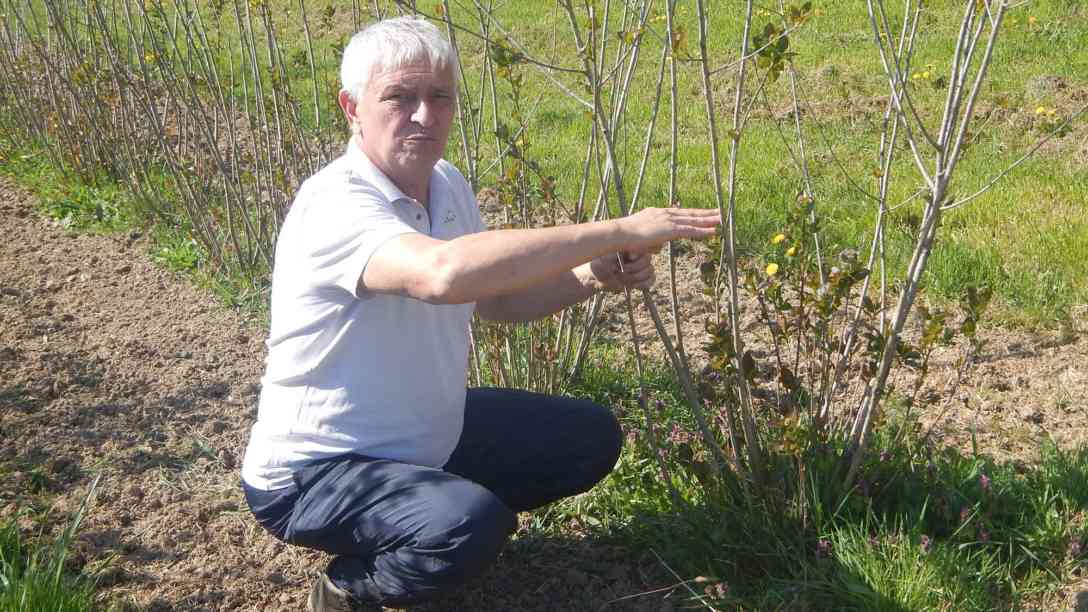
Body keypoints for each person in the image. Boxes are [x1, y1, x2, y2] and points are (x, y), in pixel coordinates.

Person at [240, 16, 720, 612]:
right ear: (352, 108)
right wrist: (619, 230)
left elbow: (495, 299)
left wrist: (594, 275)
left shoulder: (445, 184)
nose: (424, 115)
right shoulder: (335, 204)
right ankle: (351, 586)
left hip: (425, 435)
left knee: (588, 437)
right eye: (399, 97)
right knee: (467, 523)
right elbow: (442, 274)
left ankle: (433, 530)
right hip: (317, 473)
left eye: (439, 97)